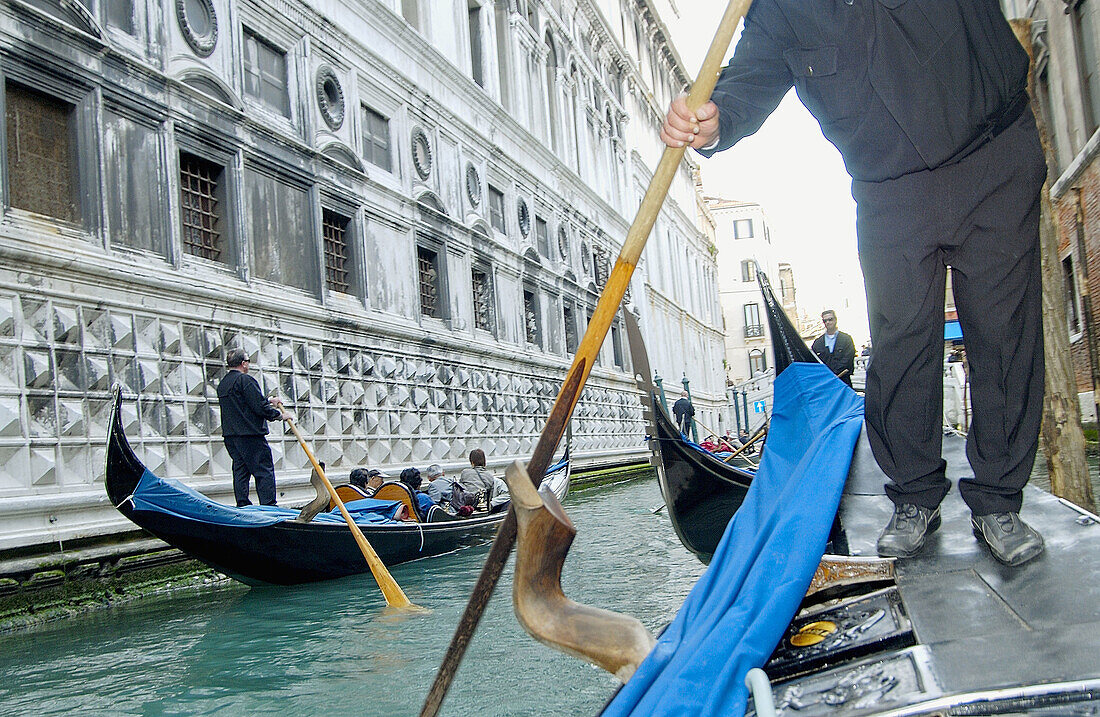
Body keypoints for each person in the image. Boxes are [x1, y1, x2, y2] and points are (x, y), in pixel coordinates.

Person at [662, 2, 1046, 566]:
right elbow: (749, 78)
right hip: (888, 188)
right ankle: (914, 496)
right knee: (902, 339)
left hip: (992, 154)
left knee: (1004, 332)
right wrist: (712, 119)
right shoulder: (777, 10)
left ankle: (998, 501)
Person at [217, 348, 289, 507]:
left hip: (231, 437)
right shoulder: (246, 380)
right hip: (251, 436)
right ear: (243, 363)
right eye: (248, 361)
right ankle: (269, 506)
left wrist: (269, 399)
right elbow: (258, 406)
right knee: (263, 471)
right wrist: (279, 415)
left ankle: (242, 505)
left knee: (240, 471)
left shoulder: (223, 384)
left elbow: (243, 402)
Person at [811, 310, 856, 388]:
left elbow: (848, 359)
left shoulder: (846, 339)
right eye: (825, 321)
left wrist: (835, 373)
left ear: (835, 320)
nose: (828, 322)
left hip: (843, 381)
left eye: (830, 319)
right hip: (825, 382)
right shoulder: (818, 343)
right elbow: (814, 361)